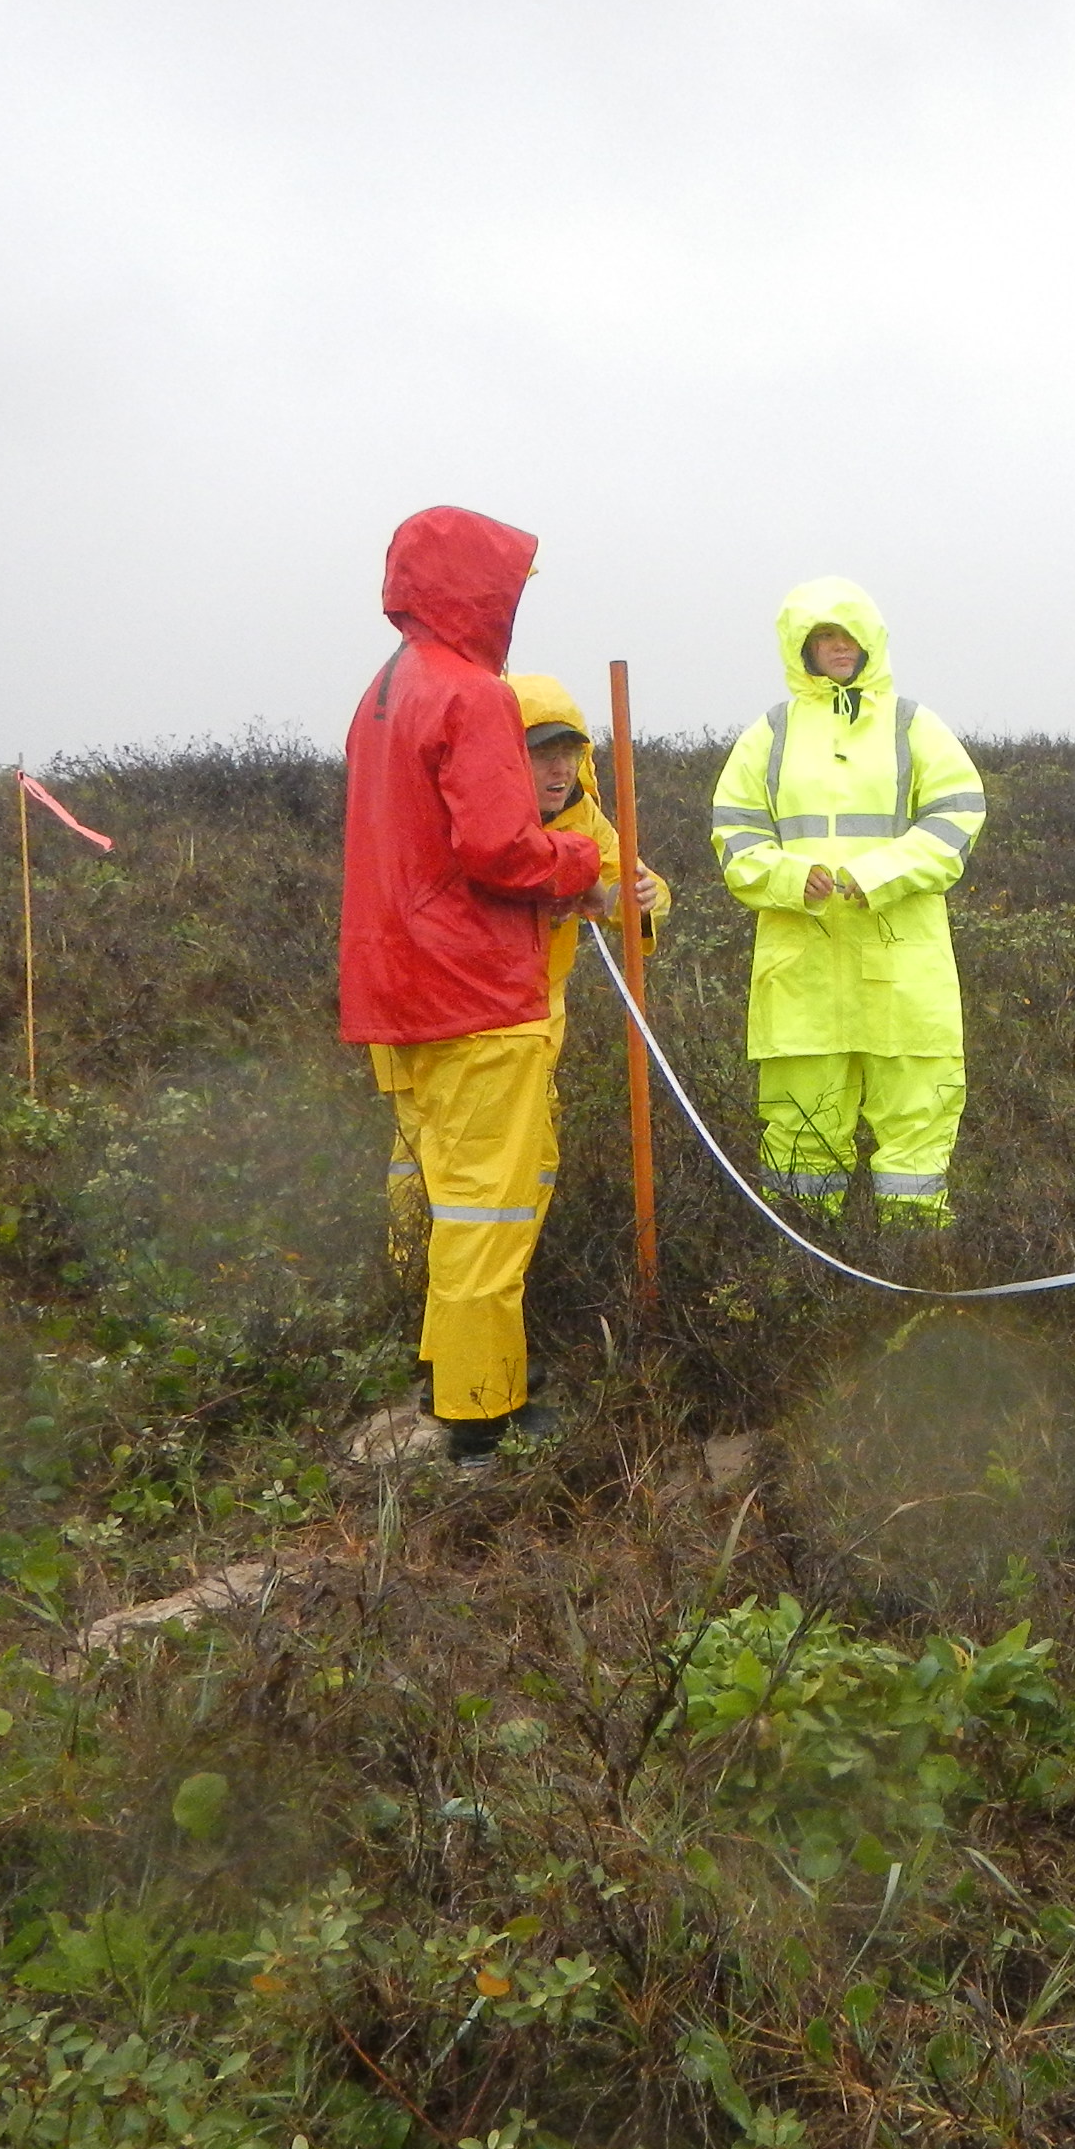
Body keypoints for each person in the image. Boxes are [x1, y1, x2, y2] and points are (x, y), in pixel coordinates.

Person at [341, 506, 602, 1464]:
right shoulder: (471, 693)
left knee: (449, 1202)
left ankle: (444, 1378)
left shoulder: (383, 691)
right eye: (509, 584)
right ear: (476, 588)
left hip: (401, 993)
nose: (514, 603)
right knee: (493, 1211)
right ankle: (480, 1416)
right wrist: (580, 864)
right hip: (478, 995)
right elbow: (499, 850)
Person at [705, 579, 987, 1226]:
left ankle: (913, 1273)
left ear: (870, 641)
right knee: (800, 1134)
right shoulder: (770, 733)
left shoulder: (915, 724)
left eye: (848, 635)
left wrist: (882, 873)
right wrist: (785, 878)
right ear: (800, 649)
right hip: (801, 973)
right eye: (823, 637)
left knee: (917, 1132)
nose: (838, 647)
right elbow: (735, 834)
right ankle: (800, 1280)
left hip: (904, 972)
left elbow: (959, 817)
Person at [381, 676, 670, 1309]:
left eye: (570, 752)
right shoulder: (463, 810)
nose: (559, 768)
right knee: (434, 1161)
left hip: (534, 1021)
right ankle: (411, 1294)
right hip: (441, 1018)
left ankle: (504, 1295)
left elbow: (627, 884)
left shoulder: (585, 817)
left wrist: (638, 899)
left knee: (528, 1159)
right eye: (540, 752)